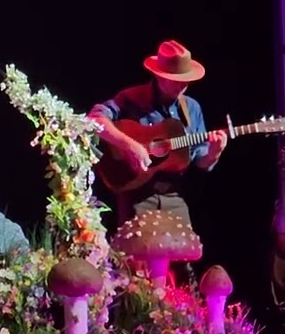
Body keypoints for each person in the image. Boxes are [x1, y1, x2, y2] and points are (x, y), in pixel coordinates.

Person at [88, 40, 227, 229]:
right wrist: (131, 146)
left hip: (175, 197)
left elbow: (202, 162)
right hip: (136, 195)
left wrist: (215, 151)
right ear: (159, 76)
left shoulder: (192, 108)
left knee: (183, 253)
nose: (183, 85)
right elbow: (95, 119)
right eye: (177, 80)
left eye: (185, 80)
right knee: (137, 255)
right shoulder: (131, 98)